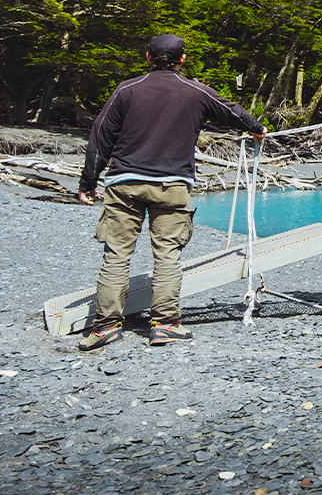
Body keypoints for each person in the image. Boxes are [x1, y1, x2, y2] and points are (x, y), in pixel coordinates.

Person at [75, 34, 266, 350]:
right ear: (183, 60)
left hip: (124, 184)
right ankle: (165, 325)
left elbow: (100, 135)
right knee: (167, 255)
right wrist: (256, 127)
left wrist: (88, 182)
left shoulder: (126, 89)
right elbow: (231, 112)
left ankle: (106, 327)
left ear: (148, 57)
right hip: (172, 185)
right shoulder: (196, 91)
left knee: (116, 255)